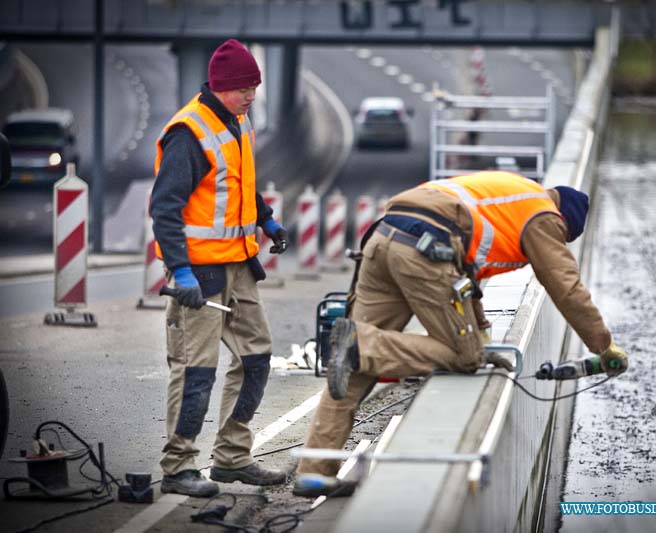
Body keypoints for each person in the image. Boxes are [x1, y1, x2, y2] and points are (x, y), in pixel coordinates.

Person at [293, 170, 628, 497]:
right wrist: (604, 345)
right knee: (462, 358)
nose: (558, 239)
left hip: (385, 236)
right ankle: (360, 343)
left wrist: (480, 333)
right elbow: (566, 287)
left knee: (349, 368)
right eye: (563, 235)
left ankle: (314, 472)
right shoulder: (544, 216)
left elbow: (466, 279)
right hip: (425, 249)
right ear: (565, 220)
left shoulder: (512, 195)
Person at [151, 39, 289, 498]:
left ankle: (232, 457)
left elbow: (239, 183)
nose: (251, 95)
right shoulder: (188, 132)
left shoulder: (237, 121)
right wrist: (180, 270)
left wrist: (266, 218)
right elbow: (165, 209)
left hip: (239, 265)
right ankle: (179, 466)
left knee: (256, 359)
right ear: (219, 86)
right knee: (196, 370)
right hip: (201, 273)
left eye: (255, 87)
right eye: (243, 88)